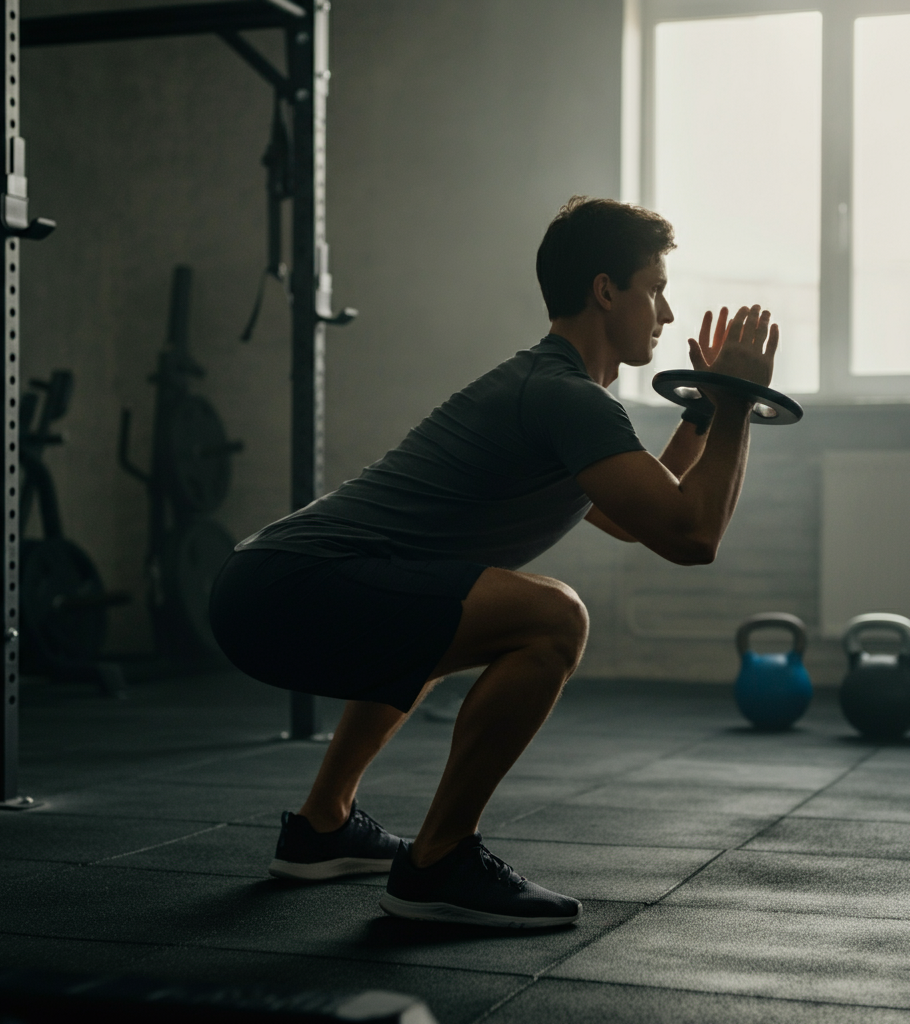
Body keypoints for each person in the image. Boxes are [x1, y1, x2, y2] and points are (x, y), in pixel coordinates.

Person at [208, 196, 779, 929]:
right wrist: (735, 403)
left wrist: (702, 414)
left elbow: (637, 518)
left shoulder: (554, 392)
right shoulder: (566, 398)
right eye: (656, 289)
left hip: (263, 586)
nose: (666, 315)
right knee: (552, 617)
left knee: (443, 619)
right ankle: (439, 861)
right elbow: (693, 537)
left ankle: (323, 827)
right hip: (287, 588)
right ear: (607, 291)